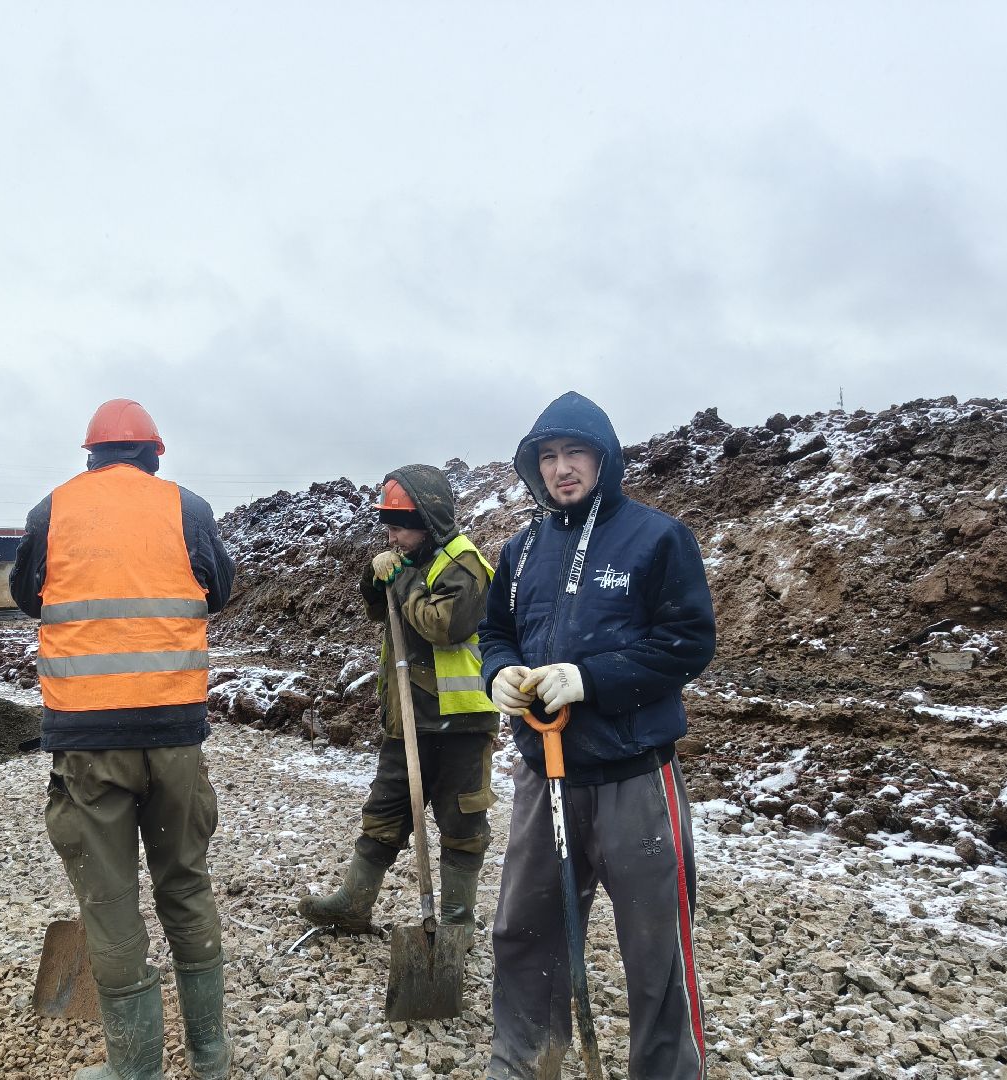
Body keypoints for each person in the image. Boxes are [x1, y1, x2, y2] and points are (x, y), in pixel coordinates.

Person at [479, 391, 716, 1080]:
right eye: (547, 457)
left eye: (575, 453)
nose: (561, 469)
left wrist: (587, 680)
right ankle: (526, 1064)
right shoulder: (520, 551)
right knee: (525, 933)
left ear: (604, 459)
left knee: (656, 949)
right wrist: (497, 671)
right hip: (542, 774)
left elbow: (687, 644)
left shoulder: (657, 537)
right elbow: (495, 632)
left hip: (634, 776)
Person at [9, 398, 235, 1080]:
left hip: (89, 738)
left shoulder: (52, 511)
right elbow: (219, 589)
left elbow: (27, 595)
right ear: (153, 455)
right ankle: (210, 1058)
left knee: (109, 902)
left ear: (91, 456)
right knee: (185, 884)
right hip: (173, 733)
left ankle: (135, 1069)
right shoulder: (187, 507)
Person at [298, 465, 499, 935]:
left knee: (462, 825)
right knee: (385, 811)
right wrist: (376, 577)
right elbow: (378, 611)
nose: (392, 534)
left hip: (462, 723)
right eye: (387, 524)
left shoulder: (463, 566)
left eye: (401, 524)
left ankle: (455, 923)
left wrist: (402, 581)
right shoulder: (409, 560)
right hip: (406, 719)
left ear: (430, 520)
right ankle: (354, 901)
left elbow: (444, 625)